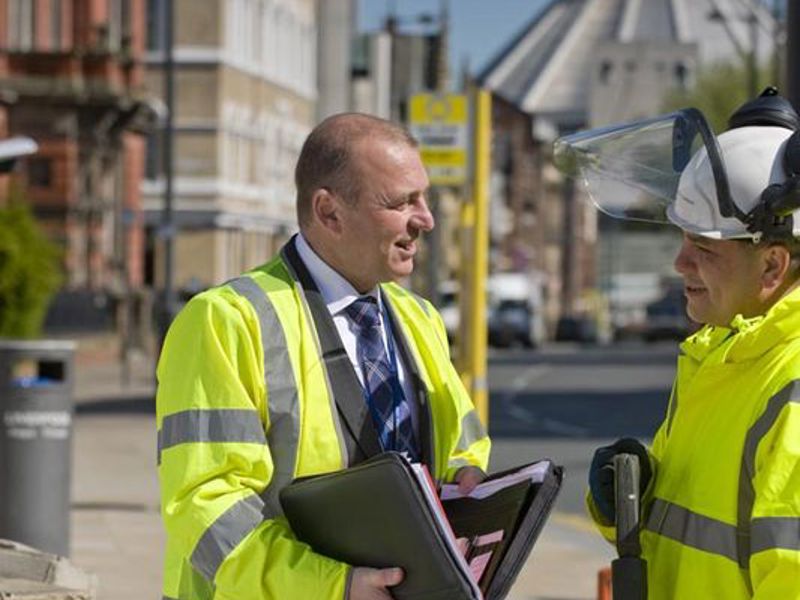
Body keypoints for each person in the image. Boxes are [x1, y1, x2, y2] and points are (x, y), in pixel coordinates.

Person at [155, 113, 491, 600]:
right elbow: (205, 506)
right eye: (401, 202)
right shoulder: (226, 321)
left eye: (424, 197)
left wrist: (469, 484)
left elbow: (461, 444)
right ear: (329, 213)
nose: (426, 219)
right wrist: (335, 587)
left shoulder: (419, 318)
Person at [556, 88, 800, 598]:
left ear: (773, 266)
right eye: (682, 238)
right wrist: (630, 501)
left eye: (703, 246)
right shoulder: (722, 358)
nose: (679, 263)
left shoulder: (788, 389)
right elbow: (693, 537)